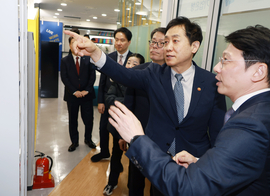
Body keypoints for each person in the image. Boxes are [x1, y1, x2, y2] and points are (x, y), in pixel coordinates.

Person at [107, 25, 270, 196]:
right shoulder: (265, 112)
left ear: (259, 72)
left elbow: (188, 188)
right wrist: (200, 162)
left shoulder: (251, 124)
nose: (217, 68)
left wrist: (137, 138)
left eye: (226, 60)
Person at [65, 16, 226, 195]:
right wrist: (95, 52)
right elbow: (122, 74)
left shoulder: (212, 83)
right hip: (159, 160)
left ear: (194, 46)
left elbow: (218, 134)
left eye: (175, 41)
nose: (168, 47)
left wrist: (207, 164)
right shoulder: (154, 74)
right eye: (166, 42)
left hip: (194, 164)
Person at [124, 27, 166, 196]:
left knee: (159, 183)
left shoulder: (176, 76)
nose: (154, 46)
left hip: (163, 141)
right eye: (152, 42)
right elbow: (128, 104)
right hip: (138, 135)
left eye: (160, 43)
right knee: (135, 179)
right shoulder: (138, 72)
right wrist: (124, 135)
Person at [103, 53, 145, 196]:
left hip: (138, 130)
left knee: (136, 162)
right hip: (119, 127)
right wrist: (128, 104)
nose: (131, 66)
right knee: (116, 155)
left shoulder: (143, 83)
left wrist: (122, 103)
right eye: (129, 62)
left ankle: (131, 187)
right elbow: (109, 98)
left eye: (135, 63)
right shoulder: (117, 80)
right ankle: (111, 183)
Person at [91, 27, 133, 162]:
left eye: (122, 40)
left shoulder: (134, 59)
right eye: (116, 40)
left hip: (124, 103)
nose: (119, 43)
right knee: (103, 128)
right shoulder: (109, 58)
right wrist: (100, 101)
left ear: (129, 42)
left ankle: (117, 160)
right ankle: (104, 152)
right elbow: (102, 81)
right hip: (108, 101)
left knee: (118, 134)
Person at [60, 36, 96, 152]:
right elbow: (64, 78)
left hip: (87, 95)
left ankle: (88, 139)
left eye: (77, 43)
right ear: (70, 45)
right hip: (72, 96)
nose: (75, 45)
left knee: (89, 119)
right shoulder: (65, 60)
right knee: (72, 119)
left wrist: (87, 90)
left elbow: (92, 75)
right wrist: (75, 91)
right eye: (72, 43)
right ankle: (74, 142)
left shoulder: (88, 58)